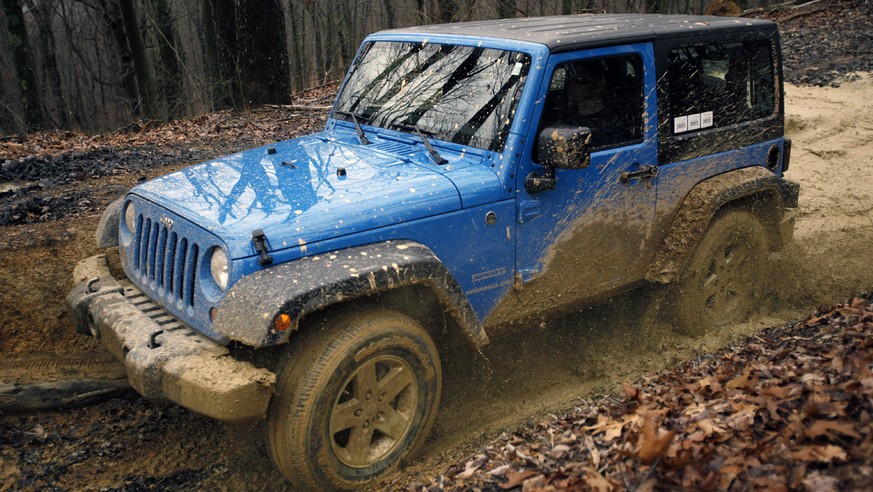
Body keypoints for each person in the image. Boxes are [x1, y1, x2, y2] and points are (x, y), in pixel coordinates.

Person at [558, 60, 630, 149]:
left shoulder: (610, 124)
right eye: (570, 78)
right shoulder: (568, 114)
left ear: (599, 84)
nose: (572, 84)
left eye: (580, 80)